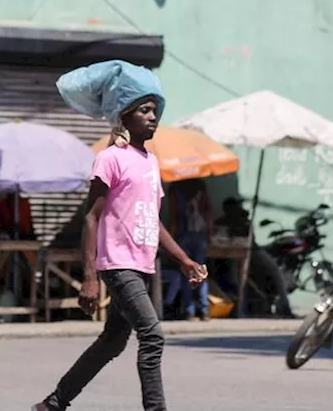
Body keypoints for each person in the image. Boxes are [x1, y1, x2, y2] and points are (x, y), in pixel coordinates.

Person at [33, 82, 205, 411]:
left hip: (142, 264)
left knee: (111, 342)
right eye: (145, 111)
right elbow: (91, 218)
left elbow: (152, 220)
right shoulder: (110, 159)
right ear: (125, 118)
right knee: (152, 336)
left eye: (155, 111)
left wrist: (184, 260)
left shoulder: (151, 162)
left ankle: (54, 403)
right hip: (118, 264)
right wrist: (89, 277)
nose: (153, 117)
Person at [167, 178, 213, 321]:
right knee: (201, 272)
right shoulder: (200, 186)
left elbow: (174, 216)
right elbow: (208, 212)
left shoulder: (175, 188)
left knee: (186, 273)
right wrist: (210, 235)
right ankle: (204, 310)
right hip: (200, 235)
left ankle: (189, 310)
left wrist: (170, 241)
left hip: (183, 236)